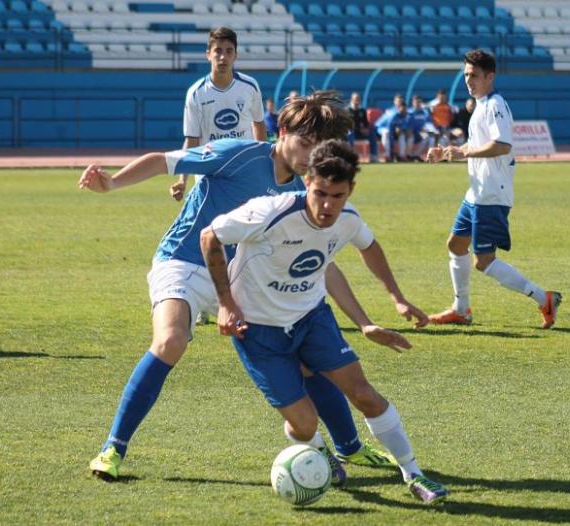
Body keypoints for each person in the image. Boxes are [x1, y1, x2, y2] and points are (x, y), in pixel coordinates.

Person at [79, 92, 411, 482]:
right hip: (185, 262)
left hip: (242, 279)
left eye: (317, 148)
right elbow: (163, 161)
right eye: (303, 144)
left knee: (305, 354)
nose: (309, 156)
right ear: (282, 132)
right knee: (170, 341)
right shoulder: (239, 154)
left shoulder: (306, 191)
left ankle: (350, 447)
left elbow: (323, 262)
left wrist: (366, 317)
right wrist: (112, 183)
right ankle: (113, 448)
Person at [200, 139, 448, 503]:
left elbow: (370, 247)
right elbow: (210, 236)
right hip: (257, 330)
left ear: (350, 191)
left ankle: (413, 474)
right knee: (303, 423)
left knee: (366, 396)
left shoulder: (348, 220)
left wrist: (393, 300)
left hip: (311, 318)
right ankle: (323, 455)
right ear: (306, 183)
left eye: (338, 195)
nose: (328, 205)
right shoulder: (268, 213)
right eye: (320, 194)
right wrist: (225, 303)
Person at [426, 49, 562, 328]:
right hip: (476, 192)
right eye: (465, 75)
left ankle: (543, 298)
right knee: (455, 244)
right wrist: (450, 152)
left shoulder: (496, 104)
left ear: (490, 76)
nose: (468, 80)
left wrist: (465, 154)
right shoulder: (480, 105)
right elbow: (476, 145)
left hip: (490, 193)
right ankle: (461, 309)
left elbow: (502, 145)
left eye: (474, 75)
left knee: (484, 261)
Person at [169, 27, 267, 203]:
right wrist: (182, 180)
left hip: (242, 168)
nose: (223, 57)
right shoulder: (196, 93)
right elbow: (192, 139)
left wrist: (263, 166)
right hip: (209, 169)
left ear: (235, 55)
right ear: (208, 54)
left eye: (229, 51)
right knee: (208, 227)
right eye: (218, 51)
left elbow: (258, 125)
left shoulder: (250, 86)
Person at [346, 92, 379, 163]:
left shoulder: (362, 111)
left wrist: (366, 129)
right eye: (356, 99)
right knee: (350, 134)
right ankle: (350, 157)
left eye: (358, 99)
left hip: (361, 132)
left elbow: (366, 123)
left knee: (372, 134)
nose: (357, 101)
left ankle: (373, 156)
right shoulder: (347, 110)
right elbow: (346, 124)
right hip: (352, 131)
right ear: (352, 100)